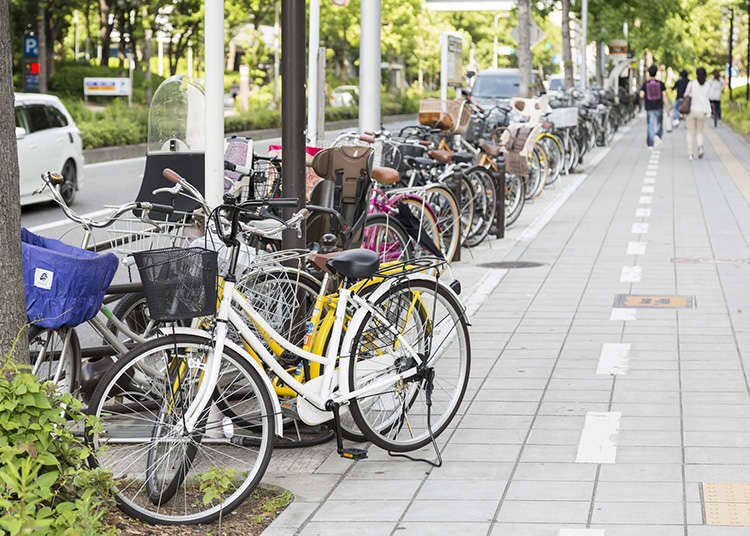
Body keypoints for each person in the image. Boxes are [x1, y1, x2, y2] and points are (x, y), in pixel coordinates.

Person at [684, 67, 711, 160]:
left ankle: (690, 153)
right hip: (702, 112)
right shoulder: (708, 85)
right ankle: (700, 148)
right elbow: (709, 97)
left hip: (691, 111)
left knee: (690, 133)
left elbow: (686, 95)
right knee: (699, 132)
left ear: (696, 74)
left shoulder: (692, 84)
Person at [640, 64, 666, 148]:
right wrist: (668, 105)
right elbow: (664, 96)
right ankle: (657, 136)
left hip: (649, 106)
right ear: (656, 73)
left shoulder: (645, 84)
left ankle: (650, 144)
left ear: (649, 73)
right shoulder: (661, 83)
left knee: (650, 125)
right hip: (659, 106)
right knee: (659, 123)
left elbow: (641, 95)